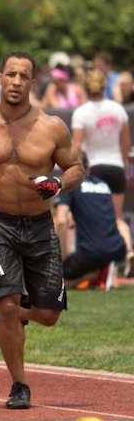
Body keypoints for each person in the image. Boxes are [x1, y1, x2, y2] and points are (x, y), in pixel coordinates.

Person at [0, 51, 84, 409]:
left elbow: (76, 168)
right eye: (11, 74)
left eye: (24, 76)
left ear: (33, 83)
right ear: (0, 79)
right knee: (5, 306)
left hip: (40, 226)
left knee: (49, 316)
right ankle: (19, 384)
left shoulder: (52, 126)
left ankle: (24, 313)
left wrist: (57, 183)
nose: (17, 81)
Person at [71, 69, 134, 275]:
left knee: (89, 217)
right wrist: (123, 165)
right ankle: (128, 250)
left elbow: (77, 146)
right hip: (115, 167)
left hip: (94, 168)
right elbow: (126, 144)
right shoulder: (117, 110)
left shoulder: (81, 112)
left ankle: (92, 261)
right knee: (116, 217)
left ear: (86, 88)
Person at [54, 152, 127, 290]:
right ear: (88, 168)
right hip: (118, 247)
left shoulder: (70, 186)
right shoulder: (103, 185)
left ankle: (98, 274)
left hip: (91, 252)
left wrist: (61, 260)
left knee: (55, 281)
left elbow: (62, 221)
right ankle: (104, 267)